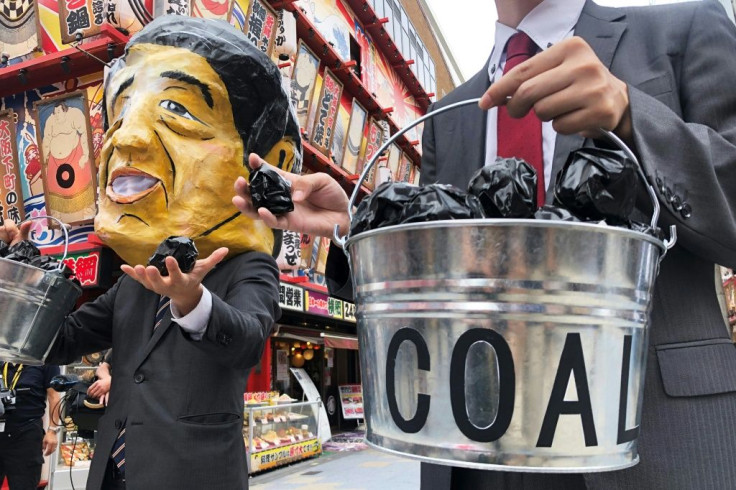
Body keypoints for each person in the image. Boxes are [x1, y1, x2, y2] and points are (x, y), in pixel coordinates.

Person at [234, 0, 736, 488]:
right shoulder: (447, 115)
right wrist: (363, 225)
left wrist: (634, 115)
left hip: (648, 437)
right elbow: (440, 277)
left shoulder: (682, 31)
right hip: (475, 448)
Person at [1, 14, 301, 490]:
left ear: (272, 163)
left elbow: (246, 340)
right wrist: (17, 282)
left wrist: (191, 300)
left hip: (192, 477)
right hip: (116, 476)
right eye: (119, 114)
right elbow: (55, 340)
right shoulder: (134, 282)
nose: (126, 137)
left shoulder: (248, 267)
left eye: (178, 111)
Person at [0, 362, 61, 490]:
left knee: (24, 485)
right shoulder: (3, 357)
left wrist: (52, 431)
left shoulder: (44, 360)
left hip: (27, 435)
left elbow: (54, 396)